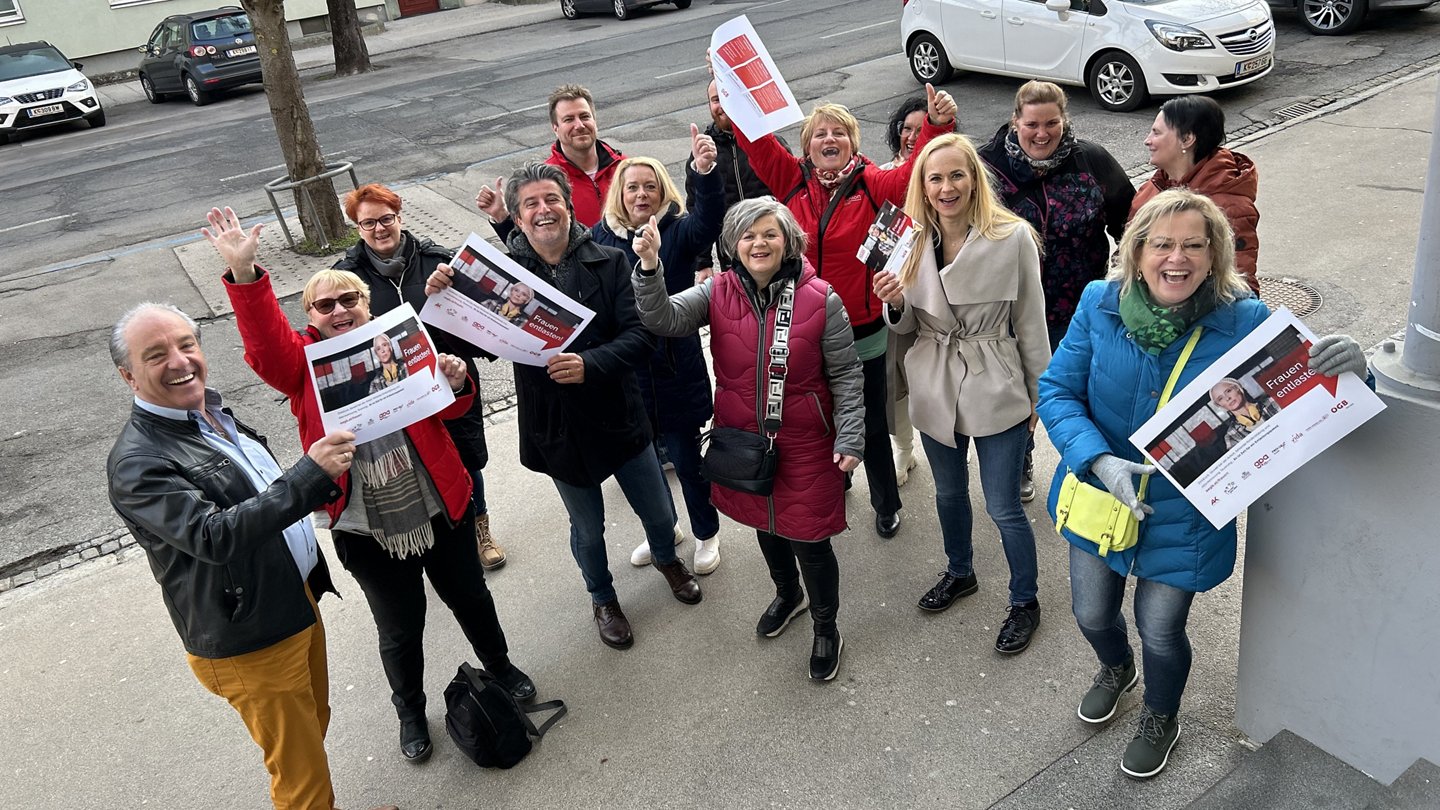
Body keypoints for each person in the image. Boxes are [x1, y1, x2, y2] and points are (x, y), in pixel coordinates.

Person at [1037, 189, 1368, 779]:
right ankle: (1116, 668)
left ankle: (1162, 714)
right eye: (1162, 244)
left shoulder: (1247, 322)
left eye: (1194, 245)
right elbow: (1057, 391)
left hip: (1186, 513)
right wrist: (1097, 461)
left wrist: (1354, 368)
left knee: (1160, 630)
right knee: (1091, 615)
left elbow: (1311, 394)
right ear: (1136, 252)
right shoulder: (1098, 303)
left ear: (1215, 256)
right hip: (1100, 494)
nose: (1177, 258)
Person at [207, 208, 535, 766]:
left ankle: (499, 666)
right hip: (366, 526)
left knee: (472, 598)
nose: (339, 311)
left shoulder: (401, 340)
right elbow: (265, 347)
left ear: (366, 302)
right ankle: (410, 709)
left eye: (349, 300)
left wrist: (456, 382)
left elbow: (449, 409)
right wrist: (244, 275)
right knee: (400, 628)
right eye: (324, 305)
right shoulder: (303, 366)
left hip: (440, 504)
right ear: (309, 315)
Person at [106, 303, 399, 810]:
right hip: (249, 634)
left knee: (312, 727)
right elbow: (212, 536)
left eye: (186, 344)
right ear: (128, 375)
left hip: (290, 601)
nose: (180, 361)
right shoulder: (138, 462)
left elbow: (255, 492)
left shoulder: (209, 414)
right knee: (299, 774)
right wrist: (311, 474)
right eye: (156, 355)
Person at [427, 162, 703, 651]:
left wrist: (590, 363)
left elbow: (641, 335)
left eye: (551, 199)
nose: (543, 210)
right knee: (588, 528)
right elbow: (472, 347)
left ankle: (666, 558)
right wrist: (446, 301)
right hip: (558, 426)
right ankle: (602, 598)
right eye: (530, 203)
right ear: (516, 215)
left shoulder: (610, 261)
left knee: (660, 511)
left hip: (618, 412)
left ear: (569, 207)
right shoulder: (502, 277)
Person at [631, 197, 864, 681]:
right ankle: (787, 594)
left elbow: (846, 374)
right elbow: (661, 319)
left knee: (812, 541)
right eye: (748, 235)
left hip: (807, 443)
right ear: (733, 245)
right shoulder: (716, 292)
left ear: (788, 241)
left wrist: (852, 434)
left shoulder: (822, 298)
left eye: (770, 233)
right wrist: (650, 266)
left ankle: (826, 628)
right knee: (765, 523)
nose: (759, 243)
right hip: (743, 443)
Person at [734, 82, 959, 539]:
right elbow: (756, 143)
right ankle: (838, 484)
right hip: (808, 327)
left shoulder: (872, 182)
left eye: (839, 132)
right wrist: (733, 96)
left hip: (863, 328)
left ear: (854, 143)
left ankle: (885, 502)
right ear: (806, 147)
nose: (829, 140)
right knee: (822, 418)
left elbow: (913, 175)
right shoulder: (791, 179)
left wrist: (938, 125)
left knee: (870, 421)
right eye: (819, 134)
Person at [873, 133, 1051, 654]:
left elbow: (1031, 323)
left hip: (994, 377)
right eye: (935, 177)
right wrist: (893, 302)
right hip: (935, 375)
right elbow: (905, 323)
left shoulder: (1012, 237)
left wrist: (1042, 396)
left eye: (957, 175)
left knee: (1003, 506)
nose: (947, 187)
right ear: (922, 187)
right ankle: (960, 571)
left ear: (975, 178)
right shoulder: (906, 241)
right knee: (947, 493)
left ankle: (1025, 600)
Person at [333, 183, 507, 571]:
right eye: (368, 223)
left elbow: (479, 329)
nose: (380, 229)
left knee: (466, 460)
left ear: (400, 216)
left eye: (387, 219)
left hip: (448, 383)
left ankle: (480, 526)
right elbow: (335, 338)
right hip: (389, 394)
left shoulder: (438, 260)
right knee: (413, 464)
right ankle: (435, 536)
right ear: (357, 228)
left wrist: (447, 299)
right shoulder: (345, 278)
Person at [977, 80, 1135, 504]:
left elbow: (1133, 226)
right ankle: (1020, 459)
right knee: (1017, 395)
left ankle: (1091, 463)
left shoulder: (1093, 162)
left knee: (1082, 392)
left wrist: (1130, 270)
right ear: (1016, 121)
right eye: (1032, 124)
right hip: (1007, 308)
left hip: (1078, 307)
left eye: (1052, 123)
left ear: (1064, 121)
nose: (1042, 133)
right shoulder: (986, 167)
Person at [591, 129, 726, 575]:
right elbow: (556, 250)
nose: (641, 194)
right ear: (620, 194)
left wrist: (703, 172)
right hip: (628, 376)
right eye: (633, 187)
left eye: (650, 185)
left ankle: (706, 533)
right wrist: (503, 222)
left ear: (663, 190)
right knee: (647, 467)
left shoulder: (678, 231)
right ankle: (664, 531)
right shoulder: (600, 239)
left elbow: (708, 220)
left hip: (675, 368)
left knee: (688, 462)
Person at [1133, 95, 1261, 292]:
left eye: (1156, 133)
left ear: (1187, 139)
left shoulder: (1229, 207)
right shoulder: (1154, 187)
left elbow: (1240, 286)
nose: (1147, 141)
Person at [476, 84, 626, 231]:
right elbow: (529, 245)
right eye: (568, 119)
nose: (579, 125)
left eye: (585, 116)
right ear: (555, 128)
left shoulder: (625, 169)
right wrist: (501, 216)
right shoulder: (545, 180)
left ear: (595, 121)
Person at [684, 79, 786, 281]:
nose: (721, 105)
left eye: (726, 96)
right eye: (715, 100)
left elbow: (791, 196)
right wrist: (703, 262)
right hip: (731, 257)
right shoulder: (703, 153)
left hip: (773, 252)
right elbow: (697, 209)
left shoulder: (768, 144)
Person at [880, 94, 928, 487]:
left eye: (921, 128)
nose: (912, 135)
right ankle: (904, 449)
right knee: (893, 373)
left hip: (932, 289)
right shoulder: (881, 174)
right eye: (906, 128)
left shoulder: (944, 176)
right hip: (891, 290)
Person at [1209, 378, 1280, 449]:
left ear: (1238, 388)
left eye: (1228, 391)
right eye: (1220, 398)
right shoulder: (1232, 436)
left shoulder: (1273, 402)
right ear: (1220, 405)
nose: (1227, 398)